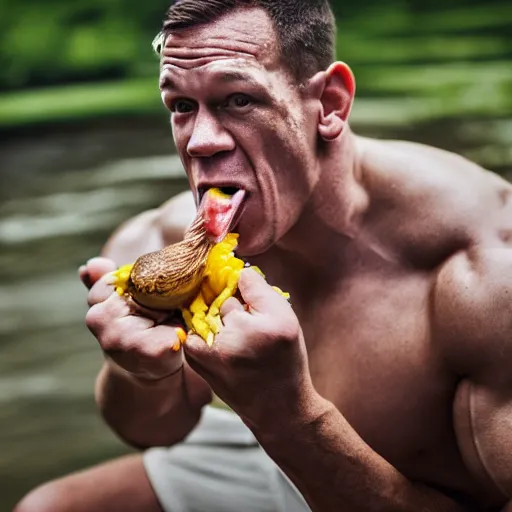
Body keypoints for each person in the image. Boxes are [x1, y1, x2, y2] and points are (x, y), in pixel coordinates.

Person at [15, 1, 512, 511]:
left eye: (238, 99)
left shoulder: (486, 270)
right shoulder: (154, 242)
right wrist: (140, 372)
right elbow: (153, 432)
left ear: (331, 104)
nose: (200, 143)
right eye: (182, 106)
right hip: (275, 456)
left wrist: (288, 416)